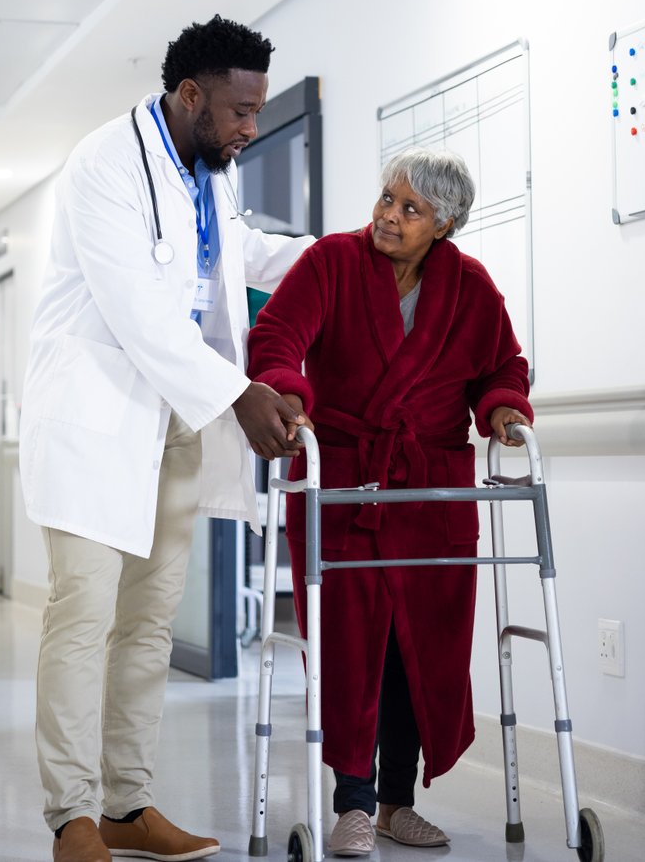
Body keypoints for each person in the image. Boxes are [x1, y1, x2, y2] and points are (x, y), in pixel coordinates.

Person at [21, 16, 316, 862]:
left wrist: (333, 256)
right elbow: (138, 311)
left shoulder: (210, 171)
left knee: (148, 621)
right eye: (239, 110)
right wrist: (240, 392)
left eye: (257, 111)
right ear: (191, 96)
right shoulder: (104, 163)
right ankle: (71, 815)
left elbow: (237, 254)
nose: (250, 127)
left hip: (171, 423)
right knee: (83, 614)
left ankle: (128, 804)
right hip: (96, 417)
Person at [246, 148, 534, 857]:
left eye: (410, 209)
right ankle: (353, 802)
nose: (387, 216)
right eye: (385, 199)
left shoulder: (471, 287)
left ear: (444, 223)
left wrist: (502, 409)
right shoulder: (331, 263)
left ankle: (398, 802)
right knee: (353, 646)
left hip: (431, 492)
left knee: (421, 649)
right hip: (348, 482)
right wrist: (288, 390)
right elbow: (278, 335)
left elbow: (503, 364)